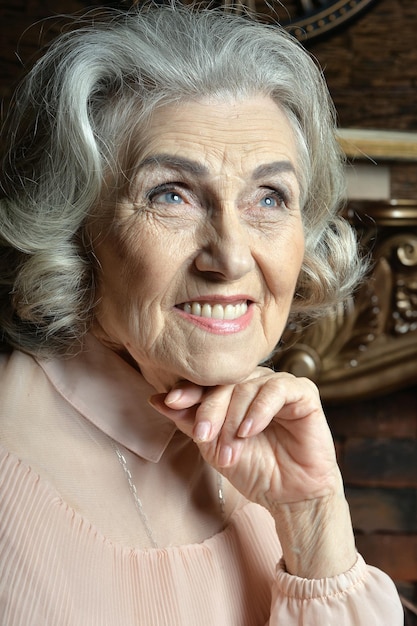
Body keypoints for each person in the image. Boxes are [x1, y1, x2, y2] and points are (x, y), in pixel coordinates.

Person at [0, 3, 403, 624]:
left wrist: (314, 514)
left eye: (269, 197)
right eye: (171, 194)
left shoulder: (276, 448)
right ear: (77, 224)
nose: (232, 256)